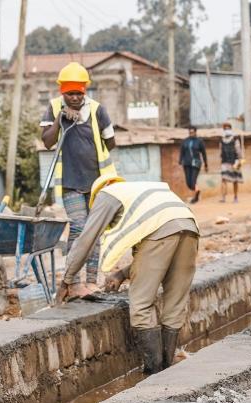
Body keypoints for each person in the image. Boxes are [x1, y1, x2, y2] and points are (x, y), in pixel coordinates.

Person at [56, 174, 200, 374]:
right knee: (175, 303)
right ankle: (168, 370)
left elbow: (86, 240)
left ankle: (154, 371)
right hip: (189, 227)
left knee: (141, 305)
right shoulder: (140, 193)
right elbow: (155, 259)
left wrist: (66, 280)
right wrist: (121, 274)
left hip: (160, 232)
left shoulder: (106, 194)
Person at [41, 62, 117, 291]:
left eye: (78, 93)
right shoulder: (54, 108)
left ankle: (91, 282)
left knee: (95, 231)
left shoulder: (97, 109)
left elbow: (110, 142)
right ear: (62, 92)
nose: (74, 98)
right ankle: (72, 282)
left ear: (85, 91)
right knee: (78, 227)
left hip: (97, 183)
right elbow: (47, 141)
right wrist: (61, 119)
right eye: (69, 94)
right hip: (70, 183)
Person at [179, 126, 208, 204]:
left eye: (192, 132)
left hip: (196, 163)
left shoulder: (199, 141)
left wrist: (206, 164)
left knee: (193, 181)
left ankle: (196, 195)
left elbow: (204, 153)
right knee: (188, 183)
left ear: (195, 132)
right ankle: (197, 191)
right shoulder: (185, 141)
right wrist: (180, 161)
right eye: (190, 132)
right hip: (187, 163)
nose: (191, 133)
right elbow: (182, 152)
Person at [219, 122, 243, 203]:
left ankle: (235, 197)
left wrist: (239, 160)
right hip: (225, 162)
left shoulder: (235, 138)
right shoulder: (222, 139)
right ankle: (223, 197)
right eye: (225, 128)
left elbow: (238, 150)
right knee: (223, 179)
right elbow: (221, 151)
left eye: (228, 128)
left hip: (234, 161)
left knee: (235, 180)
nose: (226, 130)